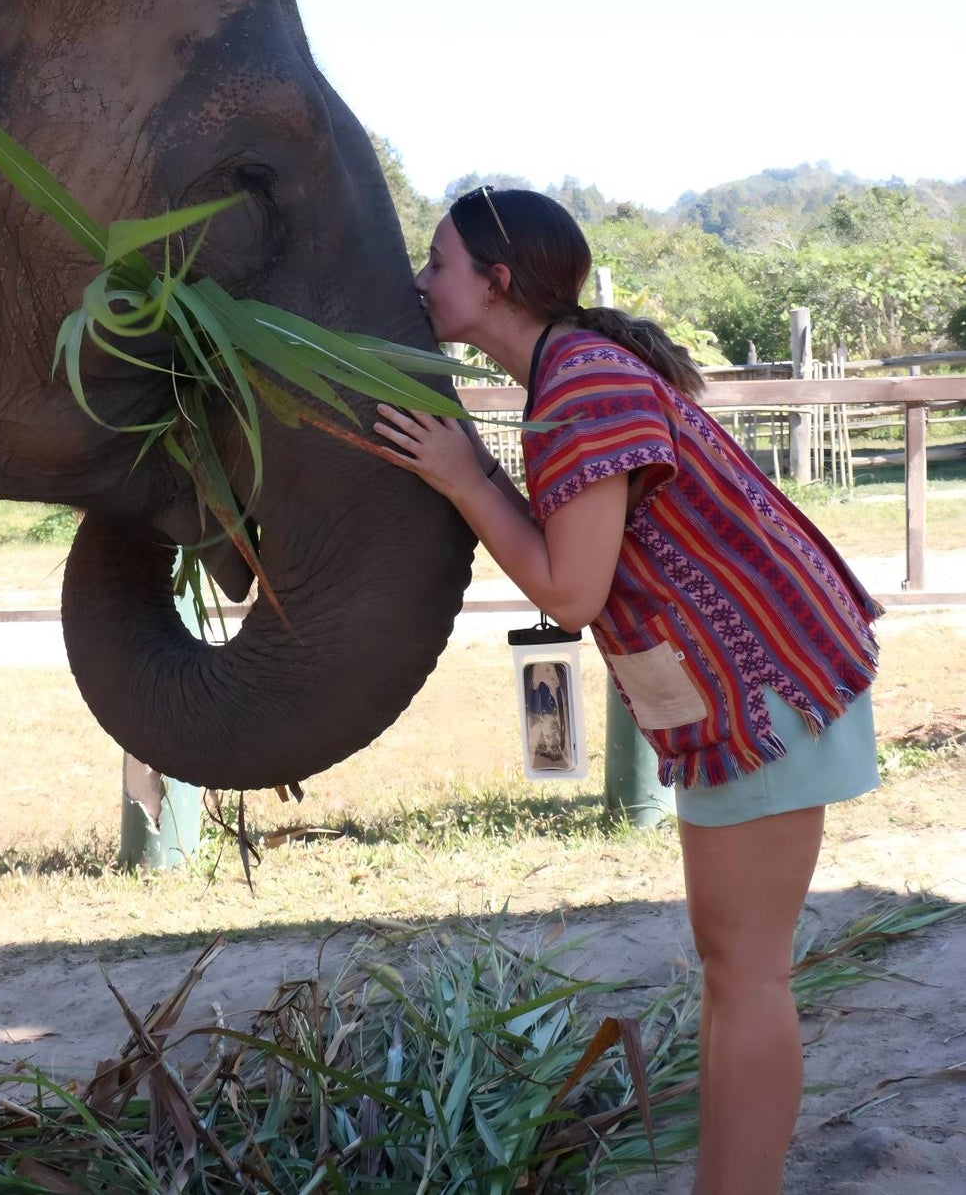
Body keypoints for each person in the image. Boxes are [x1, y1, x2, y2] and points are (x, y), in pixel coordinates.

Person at [374, 186, 881, 1195]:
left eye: (436, 263)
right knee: (731, 970)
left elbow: (569, 590)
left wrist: (466, 482)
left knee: (746, 977)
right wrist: (473, 473)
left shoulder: (579, 385)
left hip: (762, 690)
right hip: (745, 691)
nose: (419, 282)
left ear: (497, 281)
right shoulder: (569, 373)